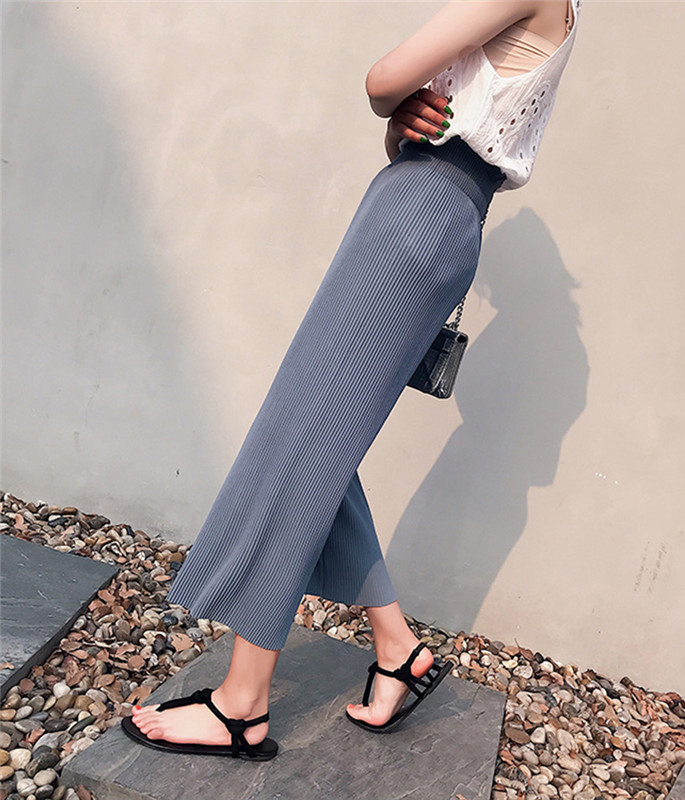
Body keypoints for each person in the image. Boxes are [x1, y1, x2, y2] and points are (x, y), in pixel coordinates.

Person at [121, 0, 582, 761]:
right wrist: (402, 125)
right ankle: (398, 651)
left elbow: (383, 78)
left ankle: (243, 704)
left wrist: (391, 105)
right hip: (436, 207)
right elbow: (439, 118)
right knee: (318, 435)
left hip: (418, 210)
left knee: (306, 435)